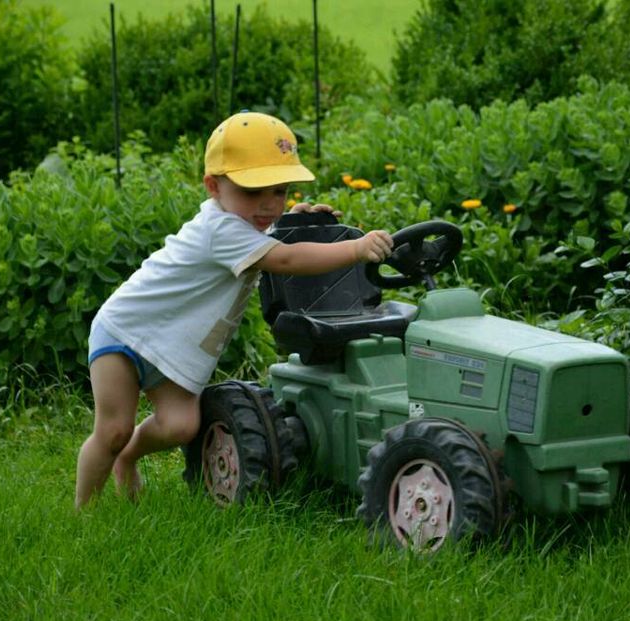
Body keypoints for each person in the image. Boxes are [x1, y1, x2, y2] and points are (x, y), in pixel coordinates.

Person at [75, 111, 393, 509]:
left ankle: (129, 457)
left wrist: (292, 220)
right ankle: (84, 513)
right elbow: (287, 260)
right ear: (213, 186)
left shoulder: (241, 226)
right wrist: (355, 249)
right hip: (126, 333)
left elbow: (266, 238)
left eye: (279, 192)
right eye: (252, 191)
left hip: (168, 347)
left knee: (180, 426)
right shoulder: (219, 230)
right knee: (112, 430)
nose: (269, 204)